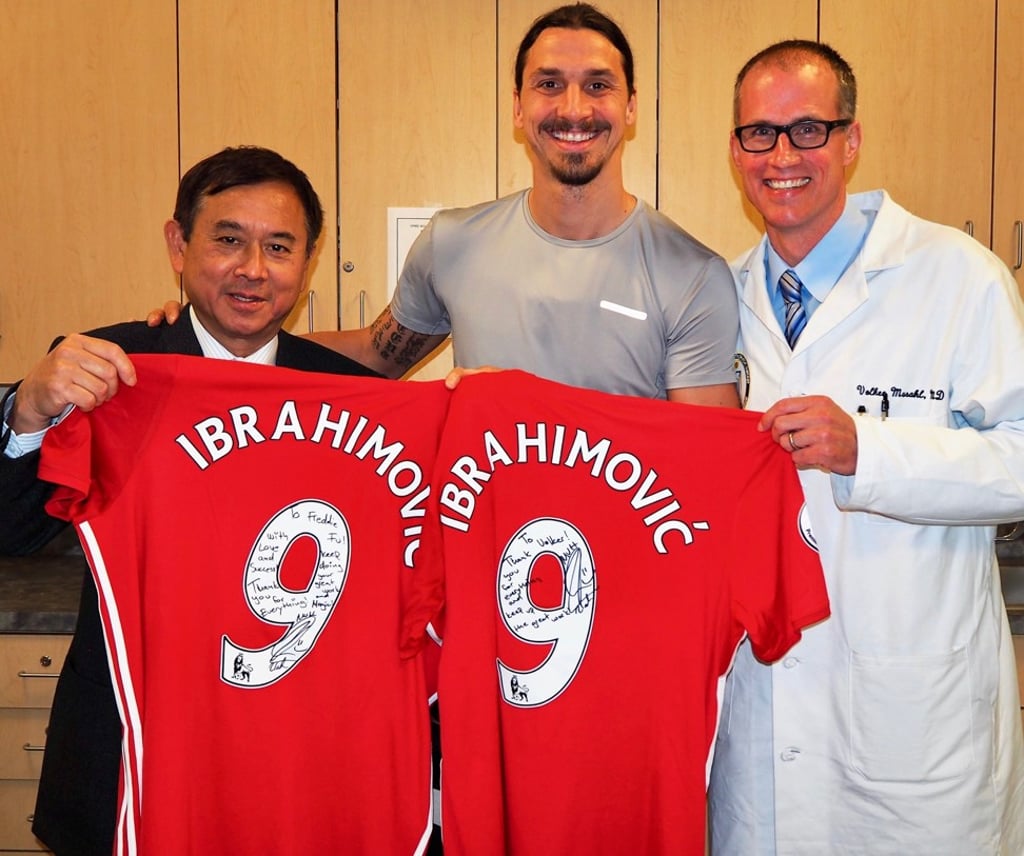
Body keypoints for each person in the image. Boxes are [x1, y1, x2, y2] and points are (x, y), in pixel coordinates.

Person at [0, 145, 379, 856]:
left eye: (279, 247)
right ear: (179, 245)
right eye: (228, 240)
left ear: (310, 259)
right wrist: (27, 412)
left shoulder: (353, 398)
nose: (253, 270)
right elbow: (10, 531)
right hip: (125, 754)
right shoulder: (108, 369)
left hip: (286, 758)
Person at [709, 40, 1024, 854]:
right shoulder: (719, 299)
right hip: (765, 713)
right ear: (736, 150)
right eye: (759, 134)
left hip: (914, 723)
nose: (782, 156)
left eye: (809, 129)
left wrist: (869, 452)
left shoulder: (959, 278)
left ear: (851, 141)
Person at [157, 4, 740, 406]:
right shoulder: (452, 243)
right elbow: (374, 355)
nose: (573, 108)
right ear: (517, 107)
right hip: (483, 557)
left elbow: (698, 459)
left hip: (625, 564)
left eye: (598, 85)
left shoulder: (691, 274)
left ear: (631, 106)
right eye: (548, 83)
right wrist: (207, 332)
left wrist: (532, 409)